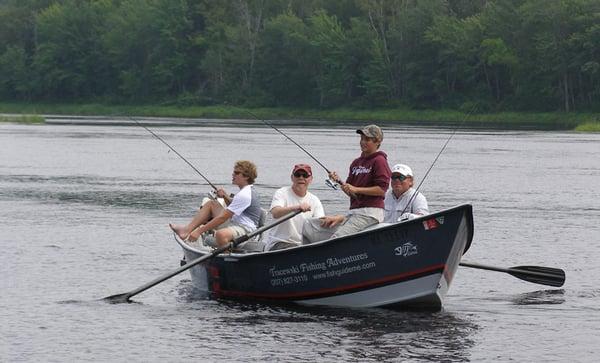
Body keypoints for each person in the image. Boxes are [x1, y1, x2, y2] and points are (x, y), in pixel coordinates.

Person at [302, 124, 391, 243]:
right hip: (353, 213)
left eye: (367, 139)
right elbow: (352, 193)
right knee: (309, 225)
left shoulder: (379, 160)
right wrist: (338, 181)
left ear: (377, 142)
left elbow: (381, 189)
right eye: (362, 139)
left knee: (337, 239)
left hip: (370, 213)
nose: (363, 142)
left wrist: (356, 189)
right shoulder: (356, 162)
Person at [169, 160, 261, 248]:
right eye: (234, 172)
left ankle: (226, 254)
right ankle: (186, 230)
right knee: (211, 204)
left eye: (237, 173)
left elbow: (223, 217)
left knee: (221, 234)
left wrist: (199, 231)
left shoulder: (245, 194)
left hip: (245, 229)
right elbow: (234, 206)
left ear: (246, 177)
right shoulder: (246, 190)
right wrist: (224, 195)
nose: (233, 174)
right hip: (235, 221)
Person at [264, 164, 325, 251]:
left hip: (303, 245)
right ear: (292, 177)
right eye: (297, 175)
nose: (301, 178)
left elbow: (320, 224)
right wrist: (297, 208)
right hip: (280, 243)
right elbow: (275, 213)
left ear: (311, 179)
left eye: (305, 175)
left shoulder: (315, 200)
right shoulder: (282, 193)